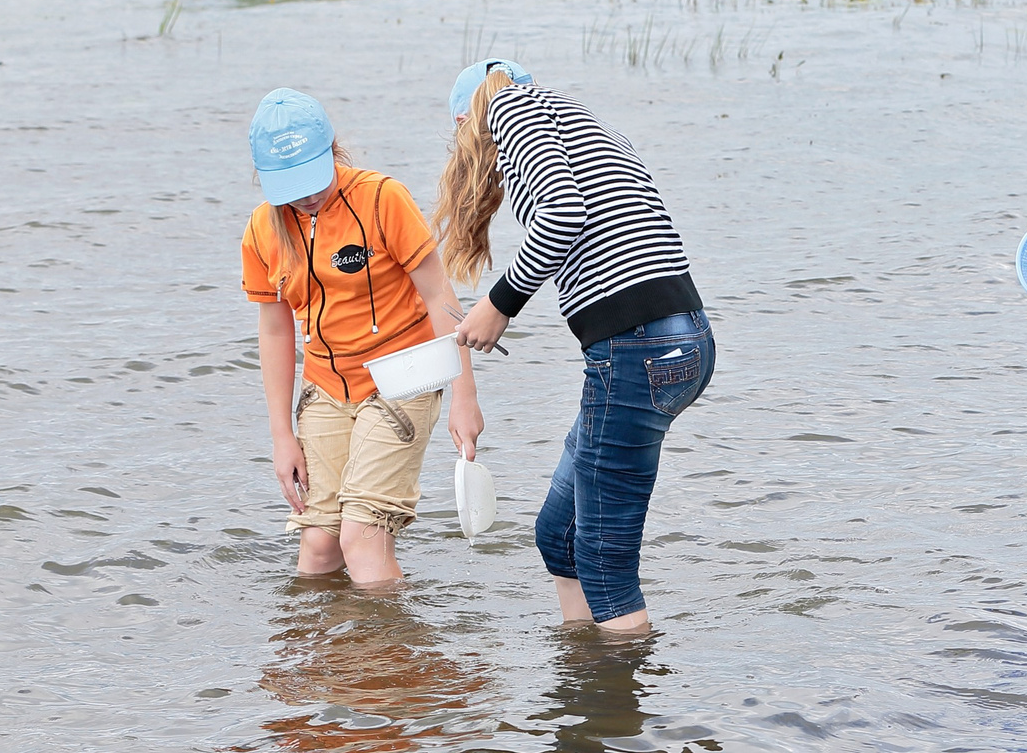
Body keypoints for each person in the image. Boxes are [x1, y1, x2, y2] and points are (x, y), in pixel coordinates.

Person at [439, 59, 714, 635]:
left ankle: (614, 716)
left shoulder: (507, 112)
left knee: (606, 565)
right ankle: (583, 679)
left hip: (638, 348)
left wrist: (499, 305)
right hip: (682, 341)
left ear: (468, 123)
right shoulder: (578, 120)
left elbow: (565, 214)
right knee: (561, 535)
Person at [241, 88, 470, 586]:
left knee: (361, 536)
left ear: (333, 148)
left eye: (312, 176)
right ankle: (328, 661)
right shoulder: (262, 229)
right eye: (290, 185)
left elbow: (441, 298)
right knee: (319, 547)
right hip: (325, 388)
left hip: (403, 376)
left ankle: (390, 660)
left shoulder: (382, 197)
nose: (306, 195)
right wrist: (282, 436)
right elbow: (275, 330)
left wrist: (464, 398)